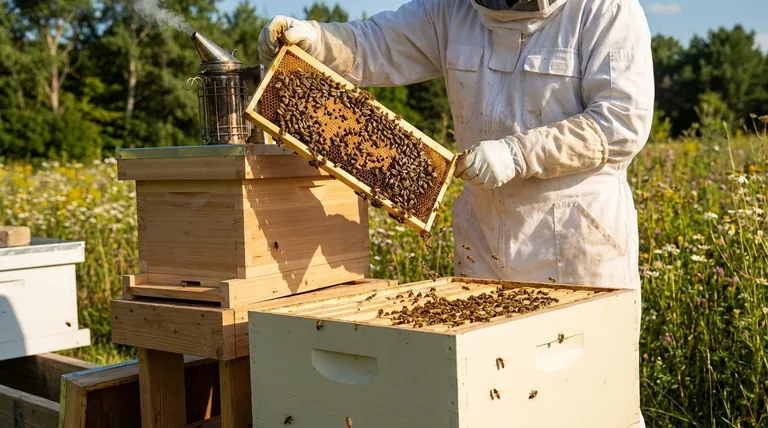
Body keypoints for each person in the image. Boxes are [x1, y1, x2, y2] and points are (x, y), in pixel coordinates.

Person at [258, 0, 652, 426]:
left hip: (578, 254)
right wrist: (317, 40)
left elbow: (621, 120)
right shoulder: (452, 10)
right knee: (490, 407)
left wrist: (519, 153)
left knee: (586, 408)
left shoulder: (605, 10)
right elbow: (377, 44)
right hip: (482, 246)